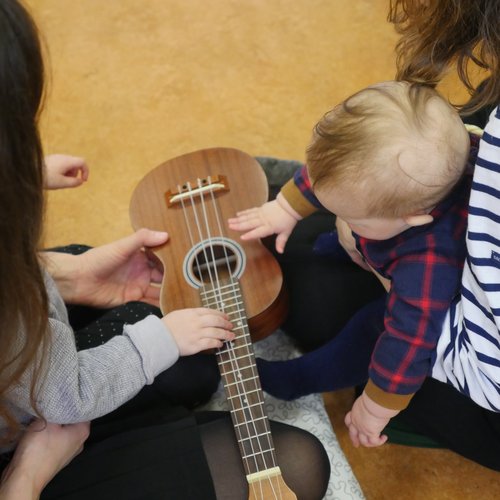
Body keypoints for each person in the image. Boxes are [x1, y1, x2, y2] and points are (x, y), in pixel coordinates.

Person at [0, 1, 330, 498]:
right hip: (34, 426)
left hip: (27, 369)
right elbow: (66, 395)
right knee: (299, 462)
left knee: (192, 340)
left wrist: (65, 270)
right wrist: (25, 479)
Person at [230, 79, 480, 447]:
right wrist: (284, 208)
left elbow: (406, 345)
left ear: (412, 218)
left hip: (424, 311)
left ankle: (298, 379)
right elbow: (330, 168)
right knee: (324, 228)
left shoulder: (429, 264)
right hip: (382, 236)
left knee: (370, 329)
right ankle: (349, 245)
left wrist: (376, 408)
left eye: (351, 216)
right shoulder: (394, 174)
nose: (340, 216)